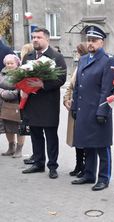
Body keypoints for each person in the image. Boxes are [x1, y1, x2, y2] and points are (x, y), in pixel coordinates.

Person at [70, 25, 114, 191]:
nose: (90, 43)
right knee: (87, 143)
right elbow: (78, 87)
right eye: (88, 40)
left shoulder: (108, 61)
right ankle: (89, 174)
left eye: (94, 40)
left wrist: (102, 111)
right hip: (83, 110)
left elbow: (107, 90)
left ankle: (104, 178)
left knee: (101, 146)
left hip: (98, 111)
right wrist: (74, 106)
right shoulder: (83, 59)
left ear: (102, 42)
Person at [21, 27, 67, 179]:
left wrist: (42, 84)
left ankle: (52, 166)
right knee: (35, 135)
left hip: (48, 104)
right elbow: (21, 76)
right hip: (32, 103)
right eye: (33, 37)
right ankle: (38, 163)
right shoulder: (28, 57)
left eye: (38, 37)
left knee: (51, 136)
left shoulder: (56, 57)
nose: (35, 39)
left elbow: (61, 79)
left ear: (47, 39)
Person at [63, 43, 88, 177]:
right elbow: (70, 86)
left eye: (77, 52)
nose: (75, 55)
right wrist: (65, 99)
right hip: (73, 106)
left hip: (82, 107)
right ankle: (78, 165)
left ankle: (85, 166)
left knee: (83, 139)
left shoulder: (86, 66)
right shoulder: (77, 66)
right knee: (76, 139)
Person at [0, 54, 25, 158]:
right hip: (3, 105)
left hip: (17, 104)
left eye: (11, 63)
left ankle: (19, 149)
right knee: (7, 126)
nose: (9, 65)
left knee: (19, 127)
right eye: (7, 63)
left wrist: (3, 93)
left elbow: (20, 91)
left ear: (17, 63)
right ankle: (11, 147)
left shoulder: (21, 74)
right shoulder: (2, 72)